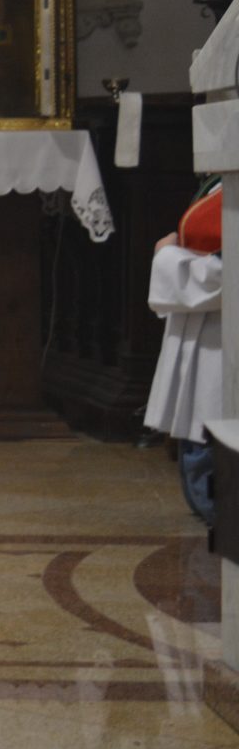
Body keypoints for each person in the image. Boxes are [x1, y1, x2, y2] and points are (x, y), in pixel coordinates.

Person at [144, 181, 222, 525]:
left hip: (222, 333)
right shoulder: (219, 181)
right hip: (206, 328)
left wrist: (167, 257)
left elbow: (226, 272)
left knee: (213, 415)